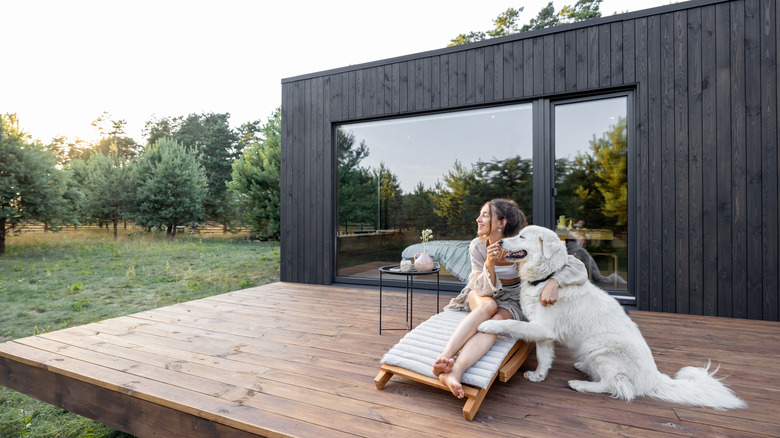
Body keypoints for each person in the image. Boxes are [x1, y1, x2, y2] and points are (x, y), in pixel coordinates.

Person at [434, 199, 588, 398]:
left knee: (497, 321)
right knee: (487, 307)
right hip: (484, 294)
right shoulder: (478, 246)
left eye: (485, 215)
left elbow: (577, 266)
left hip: (514, 298)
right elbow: (479, 287)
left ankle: (455, 371)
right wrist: (489, 263)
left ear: (501, 223)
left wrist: (554, 283)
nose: (478, 219)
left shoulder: (522, 243)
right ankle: (444, 358)